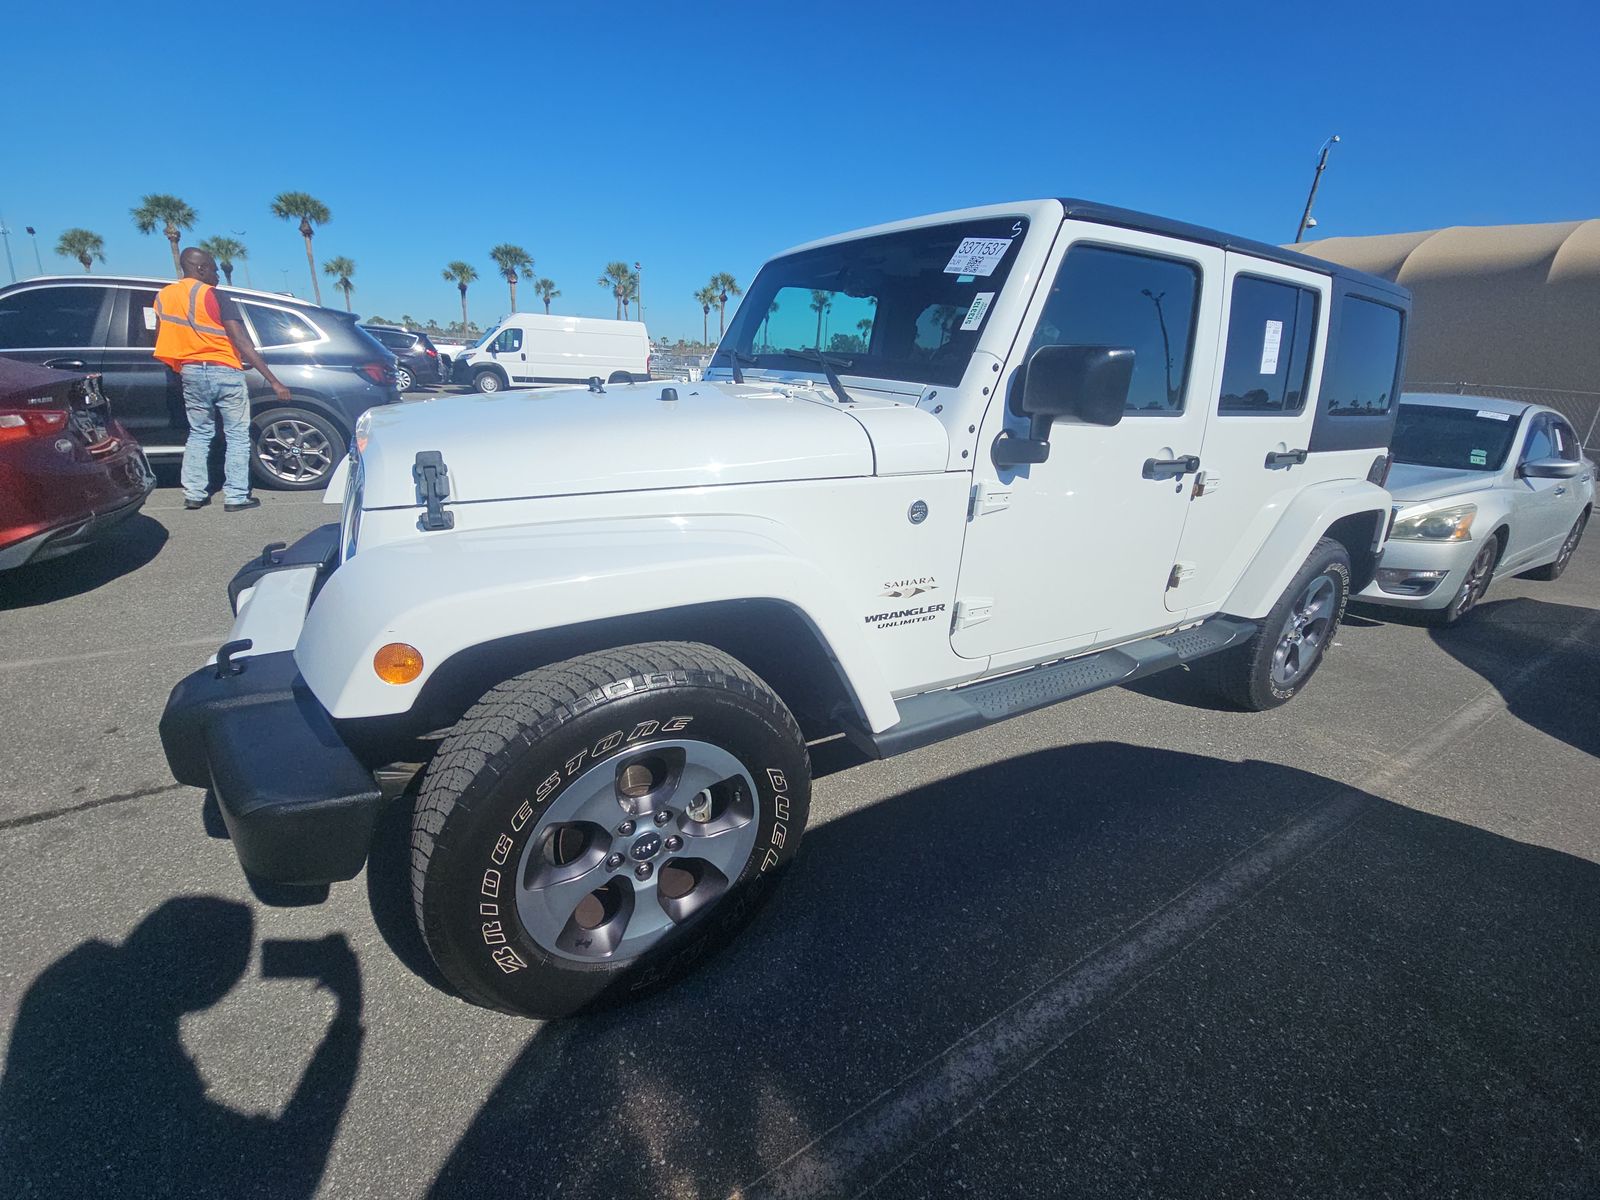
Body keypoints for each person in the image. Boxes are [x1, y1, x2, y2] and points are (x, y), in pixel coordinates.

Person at [153, 247, 291, 511]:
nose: (217, 274)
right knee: (237, 435)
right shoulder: (214, 295)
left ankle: (194, 493)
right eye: (214, 268)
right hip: (224, 369)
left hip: (190, 371)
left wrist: (175, 370)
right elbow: (241, 340)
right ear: (200, 268)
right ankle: (236, 496)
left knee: (199, 433)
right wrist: (274, 380)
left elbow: (161, 337)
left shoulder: (163, 297)